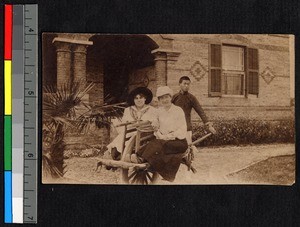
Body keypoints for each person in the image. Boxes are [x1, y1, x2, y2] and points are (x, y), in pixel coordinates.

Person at [132, 86, 188, 182]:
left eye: (166, 97)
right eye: (161, 98)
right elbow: (156, 126)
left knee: (158, 144)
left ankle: (141, 157)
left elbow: (182, 129)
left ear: (170, 97)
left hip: (178, 142)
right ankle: (140, 158)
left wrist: (166, 136)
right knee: (155, 142)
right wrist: (156, 128)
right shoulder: (159, 111)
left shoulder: (178, 110)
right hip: (163, 140)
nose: (164, 100)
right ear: (159, 100)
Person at [106, 87, 157, 161]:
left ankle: (119, 155)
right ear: (133, 100)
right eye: (136, 98)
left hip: (145, 133)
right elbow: (124, 122)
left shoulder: (152, 110)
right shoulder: (128, 110)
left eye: (141, 98)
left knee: (131, 137)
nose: (139, 100)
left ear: (145, 99)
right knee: (122, 136)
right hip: (130, 131)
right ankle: (113, 155)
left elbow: (154, 122)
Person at [172, 76, 216, 145]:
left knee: (188, 147)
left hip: (187, 127)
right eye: (184, 83)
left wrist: (209, 125)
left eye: (188, 84)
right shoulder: (175, 97)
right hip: (175, 127)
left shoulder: (192, 98)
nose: (186, 86)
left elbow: (200, 111)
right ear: (180, 84)